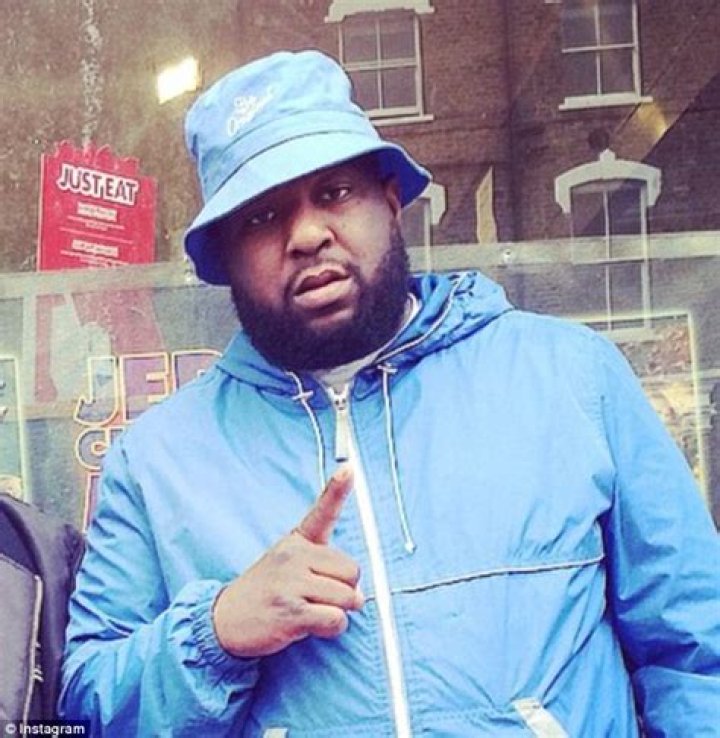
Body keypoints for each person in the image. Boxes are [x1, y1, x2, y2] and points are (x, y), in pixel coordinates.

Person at [59, 50, 720, 737]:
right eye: (261, 217)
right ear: (224, 258)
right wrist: (216, 631)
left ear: (392, 203)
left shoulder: (569, 376)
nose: (307, 234)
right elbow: (86, 705)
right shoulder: (156, 461)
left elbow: (698, 651)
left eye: (335, 192)